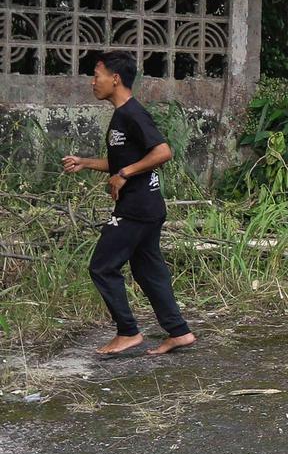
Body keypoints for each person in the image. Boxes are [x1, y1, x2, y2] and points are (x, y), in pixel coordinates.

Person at [61, 51, 196, 355]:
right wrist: (85, 162)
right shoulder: (122, 115)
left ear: (116, 79)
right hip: (146, 208)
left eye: (97, 76)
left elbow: (162, 152)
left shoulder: (133, 113)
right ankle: (179, 332)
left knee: (102, 266)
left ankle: (128, 333)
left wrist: (124, 174)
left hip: (137, 209)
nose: (93, 82)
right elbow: (122, 160)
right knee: (148, 270)